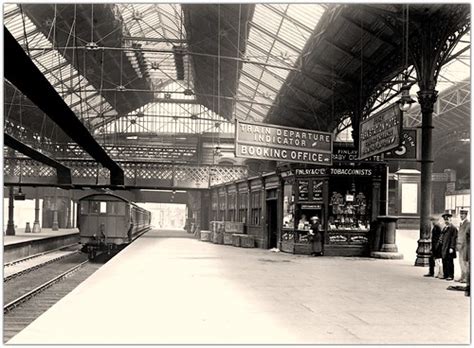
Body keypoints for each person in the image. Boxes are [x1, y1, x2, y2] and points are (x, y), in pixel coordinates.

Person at [439, 212, 458, 281]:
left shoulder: (453, 228)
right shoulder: (445, 228)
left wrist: (452, 247)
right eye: (445, 220)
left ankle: (450, 275)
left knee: (449, 262)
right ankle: (445, 274)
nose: (446, 221)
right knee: (444, 261)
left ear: (450, 220)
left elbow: (454, 238)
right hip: (444, 247)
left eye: (448, 220)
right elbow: (442, 237)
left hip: (449, 248)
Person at [456, 209, 470, 283]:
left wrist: (463, 245)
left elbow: (465, 236)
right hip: (460, 246)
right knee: (461, 262)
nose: (461, 216)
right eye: (461, 214)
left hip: (464, 247)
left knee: (464, 262)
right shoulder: (461, 223)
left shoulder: (468, 223)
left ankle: (465, 278)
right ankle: (462, 276)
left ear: (466, 215)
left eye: (463, 214)